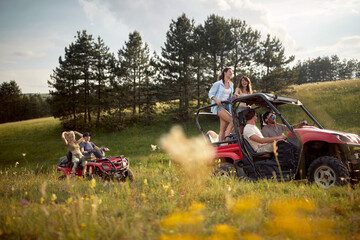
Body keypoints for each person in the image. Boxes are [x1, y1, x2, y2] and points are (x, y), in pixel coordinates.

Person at [208, 67, 234, 142]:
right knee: (233, 121)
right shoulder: (218, 84)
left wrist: (234, 97)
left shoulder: (231, 84)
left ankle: (220, 145)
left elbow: (229, 96)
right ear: (225, 73)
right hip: (219, 106)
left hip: (227, 106)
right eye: (230, 71)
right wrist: (216, 100)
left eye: (232, 72)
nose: (231, 73)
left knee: (222, 129)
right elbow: (210, 94)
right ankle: (226, 140)